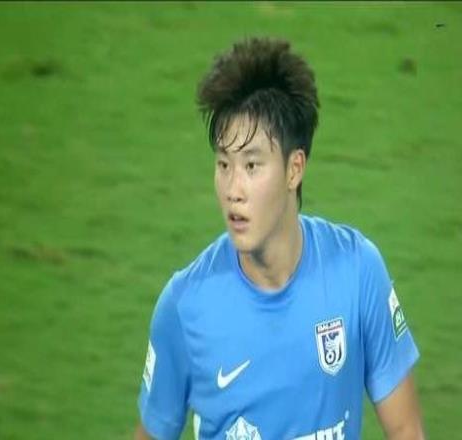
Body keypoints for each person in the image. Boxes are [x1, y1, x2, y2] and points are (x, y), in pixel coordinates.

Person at [135, 37, 425, 440]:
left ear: (294, 169)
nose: (233, 190)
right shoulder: (185, 307)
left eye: (252, 165)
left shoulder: (358, 271)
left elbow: (406, 429)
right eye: (223, 164)